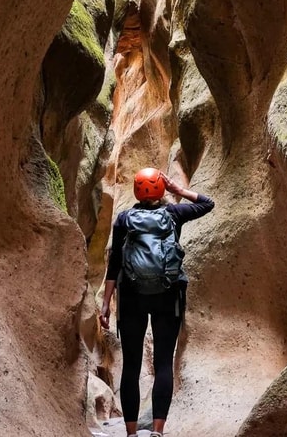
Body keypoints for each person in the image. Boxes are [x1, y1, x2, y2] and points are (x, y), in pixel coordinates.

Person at [100, 167, 215, 437]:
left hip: (131, 297)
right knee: (164, 362)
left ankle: (130, 433)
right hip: (168, 295)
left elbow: (115, 263)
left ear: (136, 191)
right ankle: (157, 432)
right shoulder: (174, 215)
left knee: (131, 364)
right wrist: (178, 190)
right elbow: (207, 203)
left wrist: (106, 304)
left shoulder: (124, 219)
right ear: (162, 190)